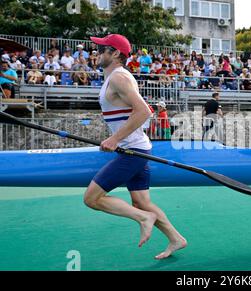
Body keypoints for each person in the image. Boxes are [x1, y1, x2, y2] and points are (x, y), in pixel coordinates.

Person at [87, 34, 187, 260]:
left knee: (91, 199)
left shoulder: (118, 78)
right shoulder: (114, 77)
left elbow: (144, 111)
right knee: (141, 201)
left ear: (115, 54)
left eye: (102, 49)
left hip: (132, 151)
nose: (97, 52)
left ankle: (144, 218)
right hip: (137, 148)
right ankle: (176, 238)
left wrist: (114, 139)